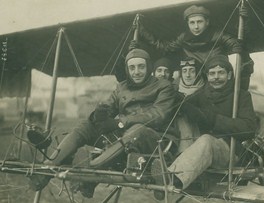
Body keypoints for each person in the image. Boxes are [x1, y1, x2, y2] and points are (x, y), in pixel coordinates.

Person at [29, 48, 178, 198]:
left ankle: (89, 172)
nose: (136, 72)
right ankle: (46, 170)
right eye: (132, 67)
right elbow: (109, 105)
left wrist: (120, 122)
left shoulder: (163, 86)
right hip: (124, 138)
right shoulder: (122, 87)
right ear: (127, 69)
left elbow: (158, 115)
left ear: (149, 67)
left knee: (136, 131)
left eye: (141, 67)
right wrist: (98, 114)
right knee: (85, 126)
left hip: (154, 139)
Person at [153, 55, 257, 192]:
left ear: (230, 74)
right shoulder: (201, 94)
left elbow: (249, 128)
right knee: (182, 117)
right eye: (212, 74)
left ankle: (172, 179)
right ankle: (167, 163)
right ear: (207, 76)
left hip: (229, 151)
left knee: (207, 139)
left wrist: (214, 119)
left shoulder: (241, 95)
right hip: (201, 151)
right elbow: (183, 105)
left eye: (221, 73)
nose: (216, 77)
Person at [133, 5, 253, 90]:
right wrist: (142, 32)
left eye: (199, 22)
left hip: (214, 78)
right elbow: (164, 47)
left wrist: (244, 23)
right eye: (192, 22)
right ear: (188, 23)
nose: (196, 27)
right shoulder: (183, 37)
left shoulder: (218, 34)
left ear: (207, 22)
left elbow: (238, 45)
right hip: (192, 79)